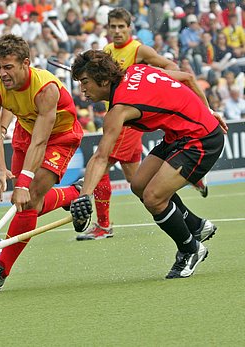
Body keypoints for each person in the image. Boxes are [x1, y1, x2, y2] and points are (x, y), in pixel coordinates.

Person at [69, 50, 227, 279]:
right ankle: (196, 226)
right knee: (139, 184)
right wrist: (209, 111)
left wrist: (84, 195)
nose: (82, 90)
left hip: (201, 140)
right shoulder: (137, 70)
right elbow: (187, 78)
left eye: (85, 82)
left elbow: (101, 157)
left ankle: (190, 249)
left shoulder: (118, 110)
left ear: (103, 80)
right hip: (177, 136)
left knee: (154, 197)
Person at [0, 34, 84, 293]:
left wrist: (24, 183)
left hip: (59, 137)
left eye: (9, 67)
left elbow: (41, 142)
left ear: (25, 63)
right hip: (24, 134)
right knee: (29, 203)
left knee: (27, 200)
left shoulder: (46, 89)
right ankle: (74, 194)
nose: (3, 73)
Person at [76, 7, 207, 242]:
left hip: (128, 121)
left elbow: (172, 69)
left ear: (129, 28)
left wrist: (152, 85)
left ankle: (104, 224)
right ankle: (195, 219)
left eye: (121, 27)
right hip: (118, 118)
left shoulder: (139, 50)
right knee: (137, 181)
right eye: (112, 27)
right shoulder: (105, 51)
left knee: (101, 166)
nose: (116, 31)